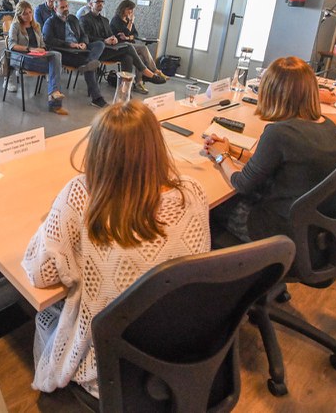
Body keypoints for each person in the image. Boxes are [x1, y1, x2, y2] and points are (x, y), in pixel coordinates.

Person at [23, 101, 210, 397]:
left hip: (108, 366)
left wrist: (51, 221)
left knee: (48, 318)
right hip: (177, 350)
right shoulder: (192, 192)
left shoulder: (82, 195)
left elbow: (39, 273)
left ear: (97, 151)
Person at [204, 57, 336, 242]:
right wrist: (233, 150)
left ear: (271, 93)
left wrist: (220, 156)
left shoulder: (280, 133)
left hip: (278, 229)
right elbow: (274, 163)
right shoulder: (328, 126)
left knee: (209, 205)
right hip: (312, 225)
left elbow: (241, 183)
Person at [80, 0, 164, 94]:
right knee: (128, 47)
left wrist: (113, 39)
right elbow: (86, 38)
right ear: (90, 4)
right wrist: (104, 40)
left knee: (127, 57)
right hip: (97, 52)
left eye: (102, 1)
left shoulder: (105, 20)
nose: (101, 3)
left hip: (109, 49)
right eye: (97, 1)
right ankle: (146, 72)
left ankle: (124, 90)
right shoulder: (84, 19)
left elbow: (115, 35)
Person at [42, 0, 108, 108]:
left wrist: (84, 43)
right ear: (55, 8)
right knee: (89, 66)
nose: (65, 9)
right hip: (65, 52)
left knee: (100, 44)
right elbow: (48, 40)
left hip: (79, 49)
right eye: (62, 7)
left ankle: (88, 63)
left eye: (67, 6)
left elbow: (83, 34)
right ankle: (97, 98)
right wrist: (68, 44)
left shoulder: (73, 19)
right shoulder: (50, 22)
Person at [7, 1, 67, 115]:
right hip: (23, 58)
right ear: (19, 15)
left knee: (57, 55)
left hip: (37, 56)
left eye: (30, 12)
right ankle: (54, 101)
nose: (29, 16)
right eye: (25, 14)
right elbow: (12, 45)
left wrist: (43, 49)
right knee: (55, 67)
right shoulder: (15, 26)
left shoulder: (36, 26)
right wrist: (30, 49)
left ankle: (54, 93)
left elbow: (42, 44)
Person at [110, 0, 166, 84]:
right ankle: (155, 71)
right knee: (143, 48)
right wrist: (131, 23)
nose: (131, 12)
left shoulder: (128, 20)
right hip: (120, 46)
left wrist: (128, 38)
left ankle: (139, 83)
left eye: (132, 10)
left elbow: (135, 34)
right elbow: (126, 32)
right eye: (129, 9)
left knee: (141, 57)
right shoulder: (116, 20)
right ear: (123, 9)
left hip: (129, 44)